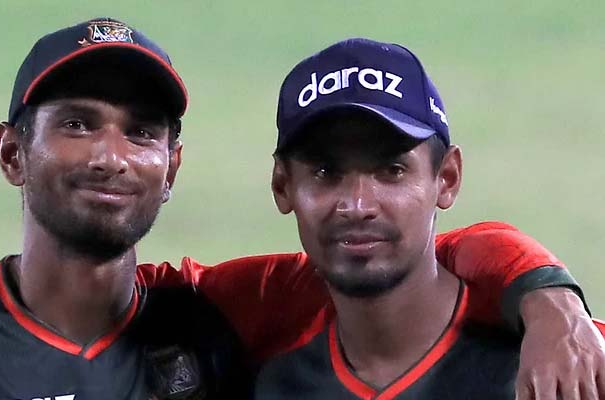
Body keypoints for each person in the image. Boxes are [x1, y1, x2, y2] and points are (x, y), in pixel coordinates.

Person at [0, 18, 601, 400]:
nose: (110, 156)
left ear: (172, 167)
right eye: (76, 124)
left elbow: (433, 257)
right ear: (12, 154)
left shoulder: (218, 312)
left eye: (142, 132)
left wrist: (549, 300)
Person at [248, 37, 605, 399]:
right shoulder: (253, 369)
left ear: (447, 178)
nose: (358, 205)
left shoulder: (573, 365)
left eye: (392, 170)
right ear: (282, 186)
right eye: (325, 172)